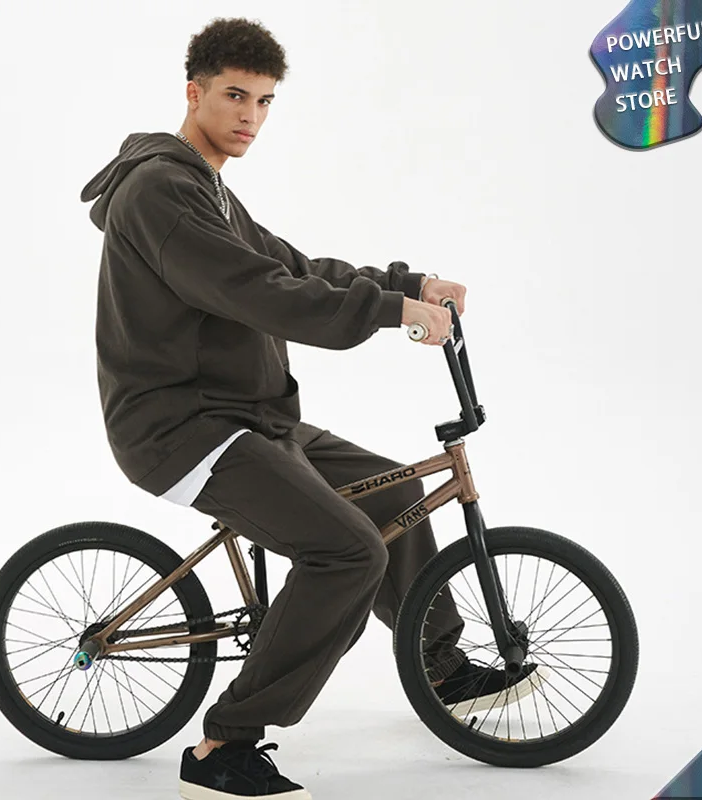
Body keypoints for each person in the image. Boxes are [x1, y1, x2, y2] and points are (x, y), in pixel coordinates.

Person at [80, 16, 542, 800]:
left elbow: (292, 265)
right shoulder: (161, 192)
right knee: (348, 552)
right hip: (182, 430)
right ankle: (223, 745)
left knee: (397, 491)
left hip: (249, 416)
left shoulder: (207, 188)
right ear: (193, 93)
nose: (250, 117)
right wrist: (388, 314)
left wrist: (407, 285)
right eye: (235, 96)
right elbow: (263, 293)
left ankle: (440, 668)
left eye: (264, 102)